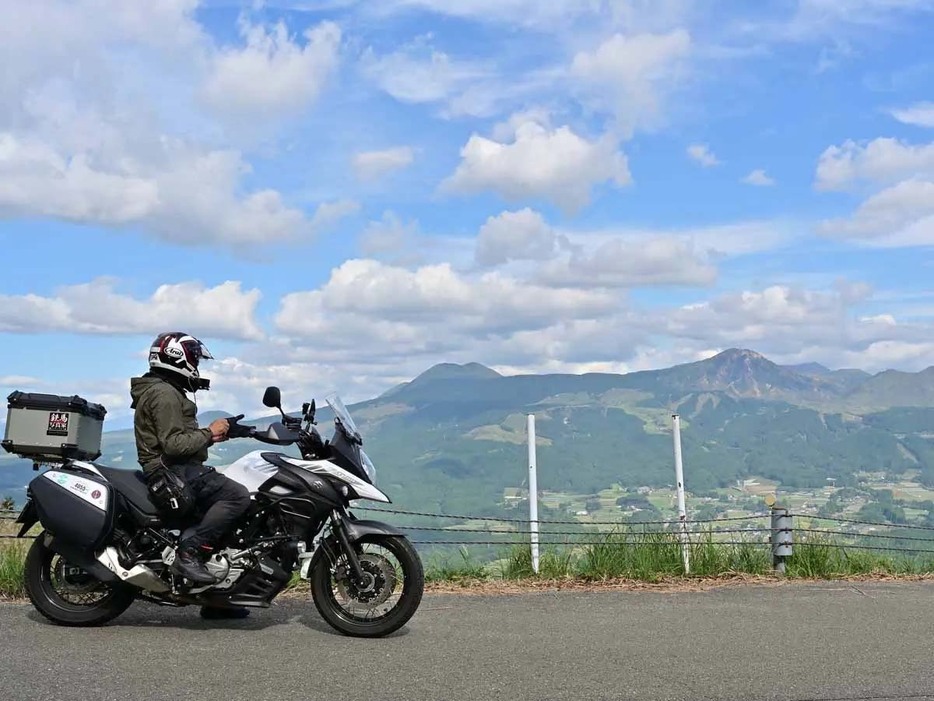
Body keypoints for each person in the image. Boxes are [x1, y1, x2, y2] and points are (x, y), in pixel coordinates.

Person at [130, 331, 252, 619]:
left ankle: (217, 596)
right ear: (176, 357)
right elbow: (173, 445)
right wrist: (209, 432)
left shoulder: (165, 390)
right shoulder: (164, 393)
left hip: (179, 468)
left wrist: (216, 435)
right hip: (171, 472)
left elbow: (181, 438)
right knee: (237, 495)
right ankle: (189, 552)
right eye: (193, 357)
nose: (196, 363)